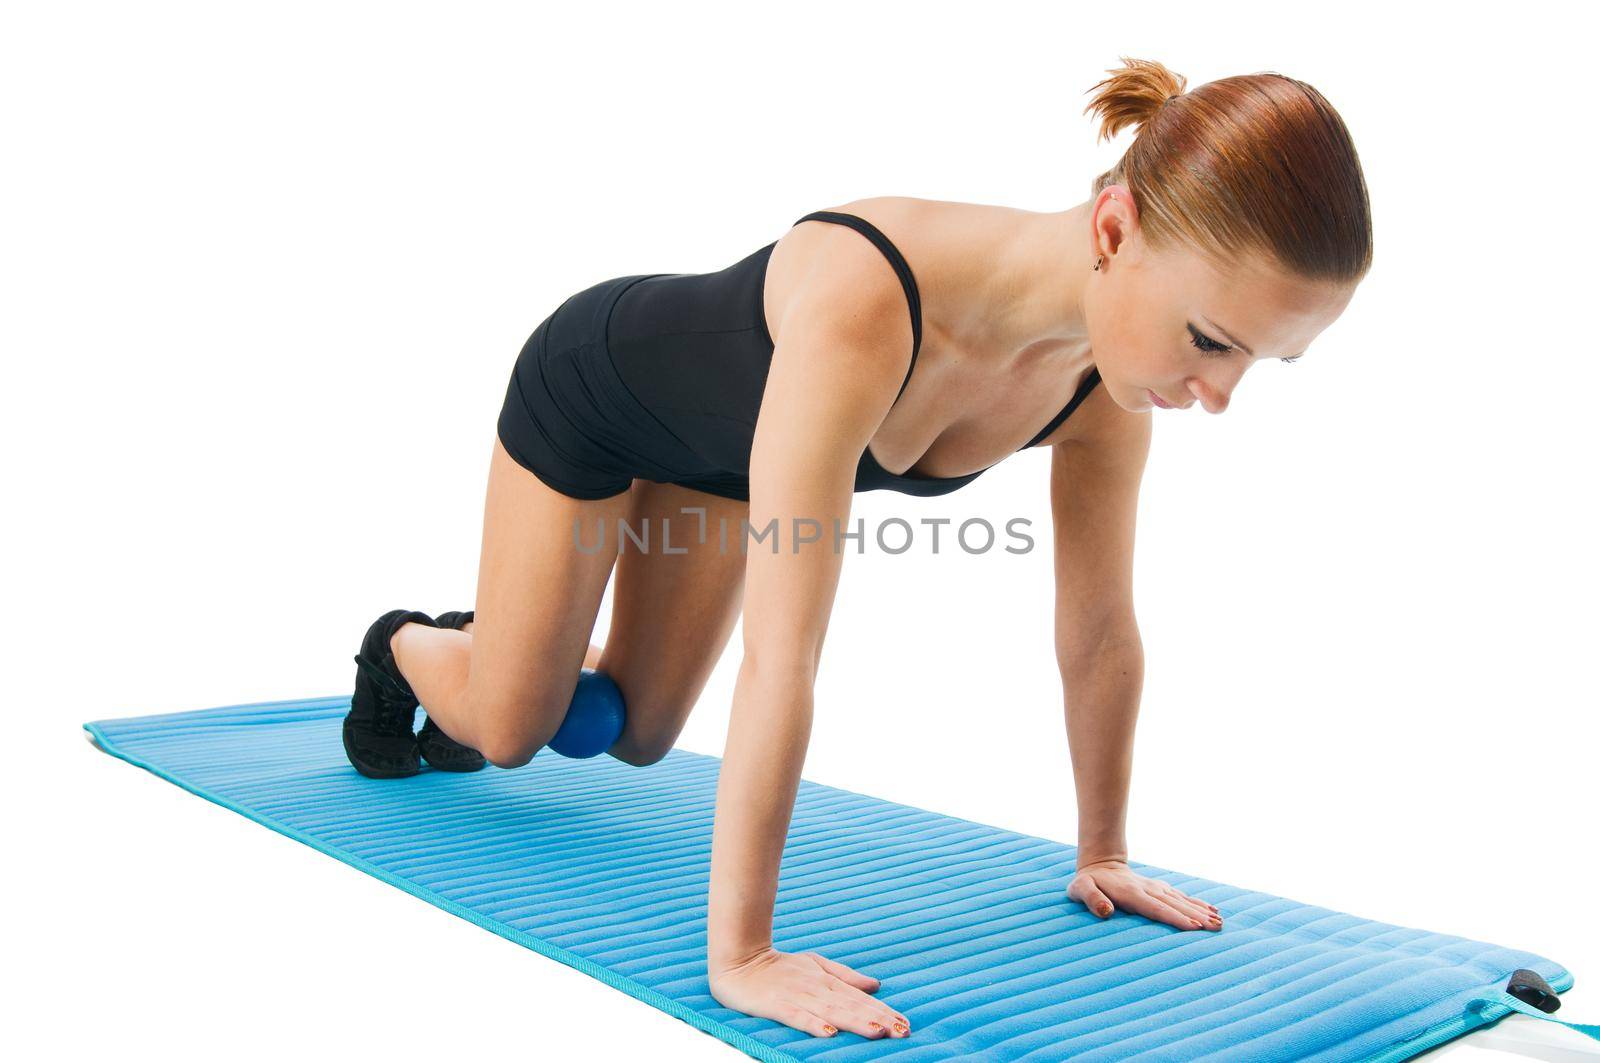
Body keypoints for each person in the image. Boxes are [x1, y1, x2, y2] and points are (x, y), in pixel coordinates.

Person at [341, 56, 1372, 1042]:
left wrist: (1101, 850)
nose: (1221, 395)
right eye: (1209, 340)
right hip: (594, 397)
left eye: (1261, 362)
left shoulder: (1097, 395)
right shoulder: (865, 299)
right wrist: (741, 952)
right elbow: (782, 654)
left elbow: (1099, 631)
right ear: (1114, 226)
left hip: (716, 463)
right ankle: (405, 648)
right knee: (516, 728)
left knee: (636, 731)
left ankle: (527, 645)